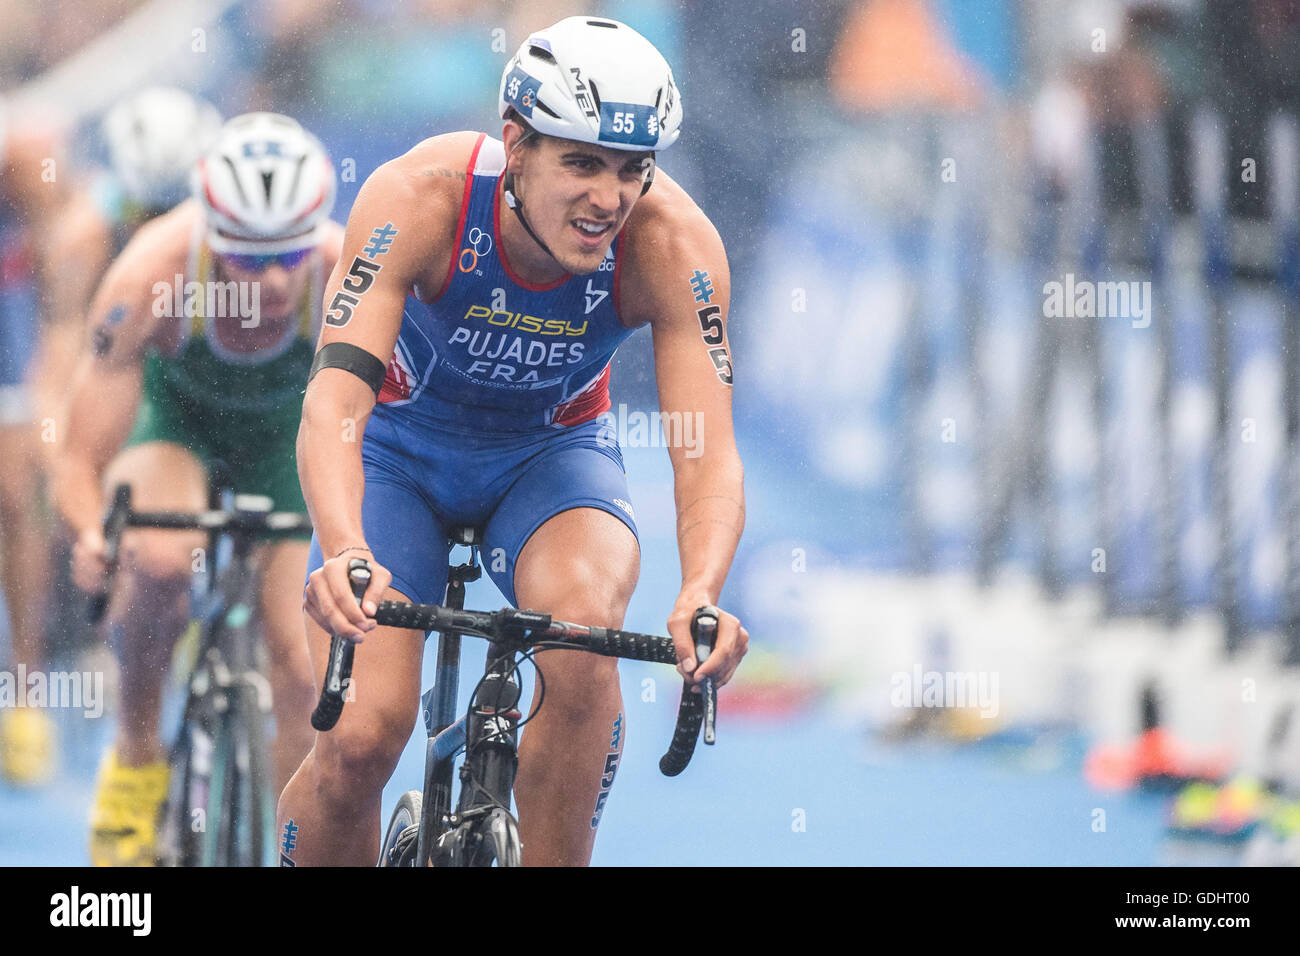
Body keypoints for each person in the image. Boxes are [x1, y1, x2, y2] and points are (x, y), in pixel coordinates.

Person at [279, 16, 749, 867]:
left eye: (631, 170)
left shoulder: (674, 244)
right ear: (516, 147)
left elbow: (705, 447)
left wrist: (703, 590)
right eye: (581, 163)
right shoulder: (417, 198)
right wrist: (346, 546)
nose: (609, 199)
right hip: (397, 459)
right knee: (360, 739)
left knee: (581, 636)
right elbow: (335, 401)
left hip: (548, 461)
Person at [51, 112, 343, 865]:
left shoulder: (346, 271)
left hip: (285, 445)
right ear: (209, 233)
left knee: (302, 668)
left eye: (289, 257)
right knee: (157, 559)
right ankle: (138, 755)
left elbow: (384, 430)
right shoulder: (151, 272)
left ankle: (288, 840)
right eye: (247, 261)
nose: (275, 281)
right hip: (173, 431)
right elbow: (79, 455)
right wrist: (92, 535)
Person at [0, 101, 67, 787]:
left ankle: (25, 694)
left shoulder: (22, 159)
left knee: (18, 501)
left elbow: (60, 245)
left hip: (9, 349)